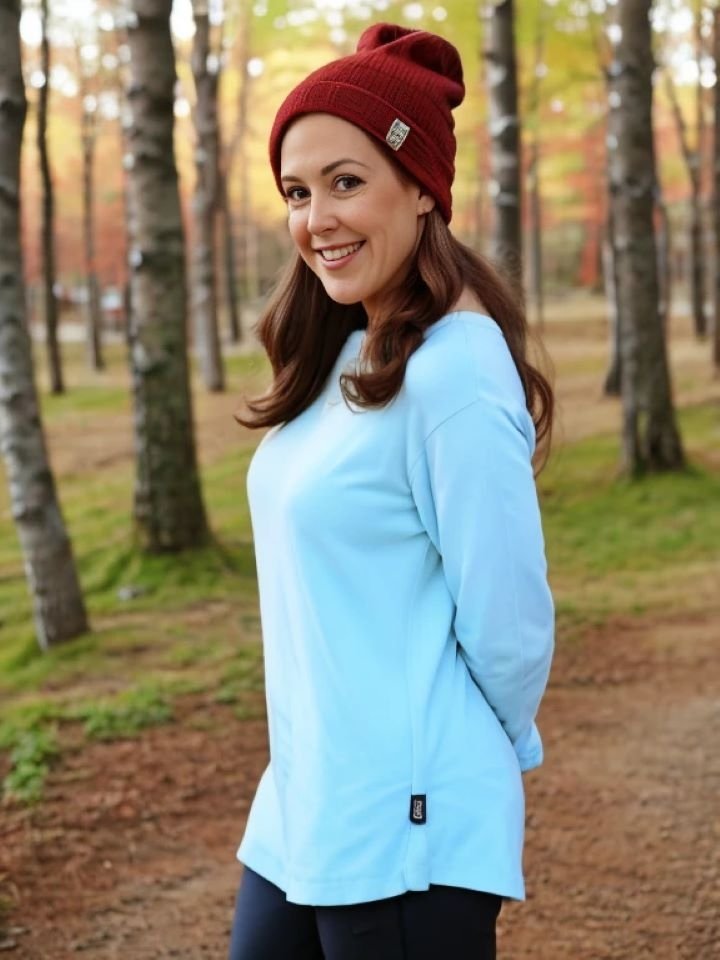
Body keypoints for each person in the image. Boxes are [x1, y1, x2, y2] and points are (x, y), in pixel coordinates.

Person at [229, 22, 555, 960]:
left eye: (346, 182)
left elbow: (509, 625)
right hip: (303, 797)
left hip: (405, 821)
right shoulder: (350, 352)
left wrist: (457, 761)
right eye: (298, 192)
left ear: (421, 188)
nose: (316, 220)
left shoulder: (456, 373)